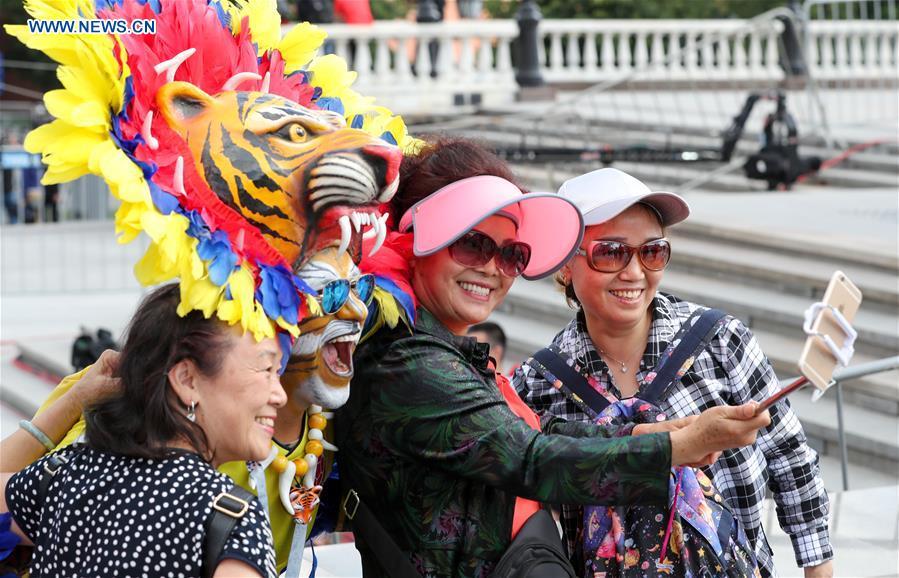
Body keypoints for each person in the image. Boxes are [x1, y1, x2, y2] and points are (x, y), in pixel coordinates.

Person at [334, 137, 772, 578]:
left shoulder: (438, 346)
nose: (491, 268)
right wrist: (678, 446)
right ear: (415, 240)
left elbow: (531, 430)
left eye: (511, 254)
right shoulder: (406, 362)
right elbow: (532, 458)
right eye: (472, 244)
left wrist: (650, 432)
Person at [513, 167, 833, 578]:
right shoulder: (538, 384)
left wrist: (818, 569)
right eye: (610, 252)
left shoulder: (721, 342)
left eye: (652, 251)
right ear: (563, 267)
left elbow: (791, 459)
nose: (633, 272)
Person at [1, 284, 283, 578]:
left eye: (278, 373)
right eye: (265, 370)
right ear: (187, 380)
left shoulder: (70, 476)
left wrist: (74, 401)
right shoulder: (230, 520)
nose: (280, 395)